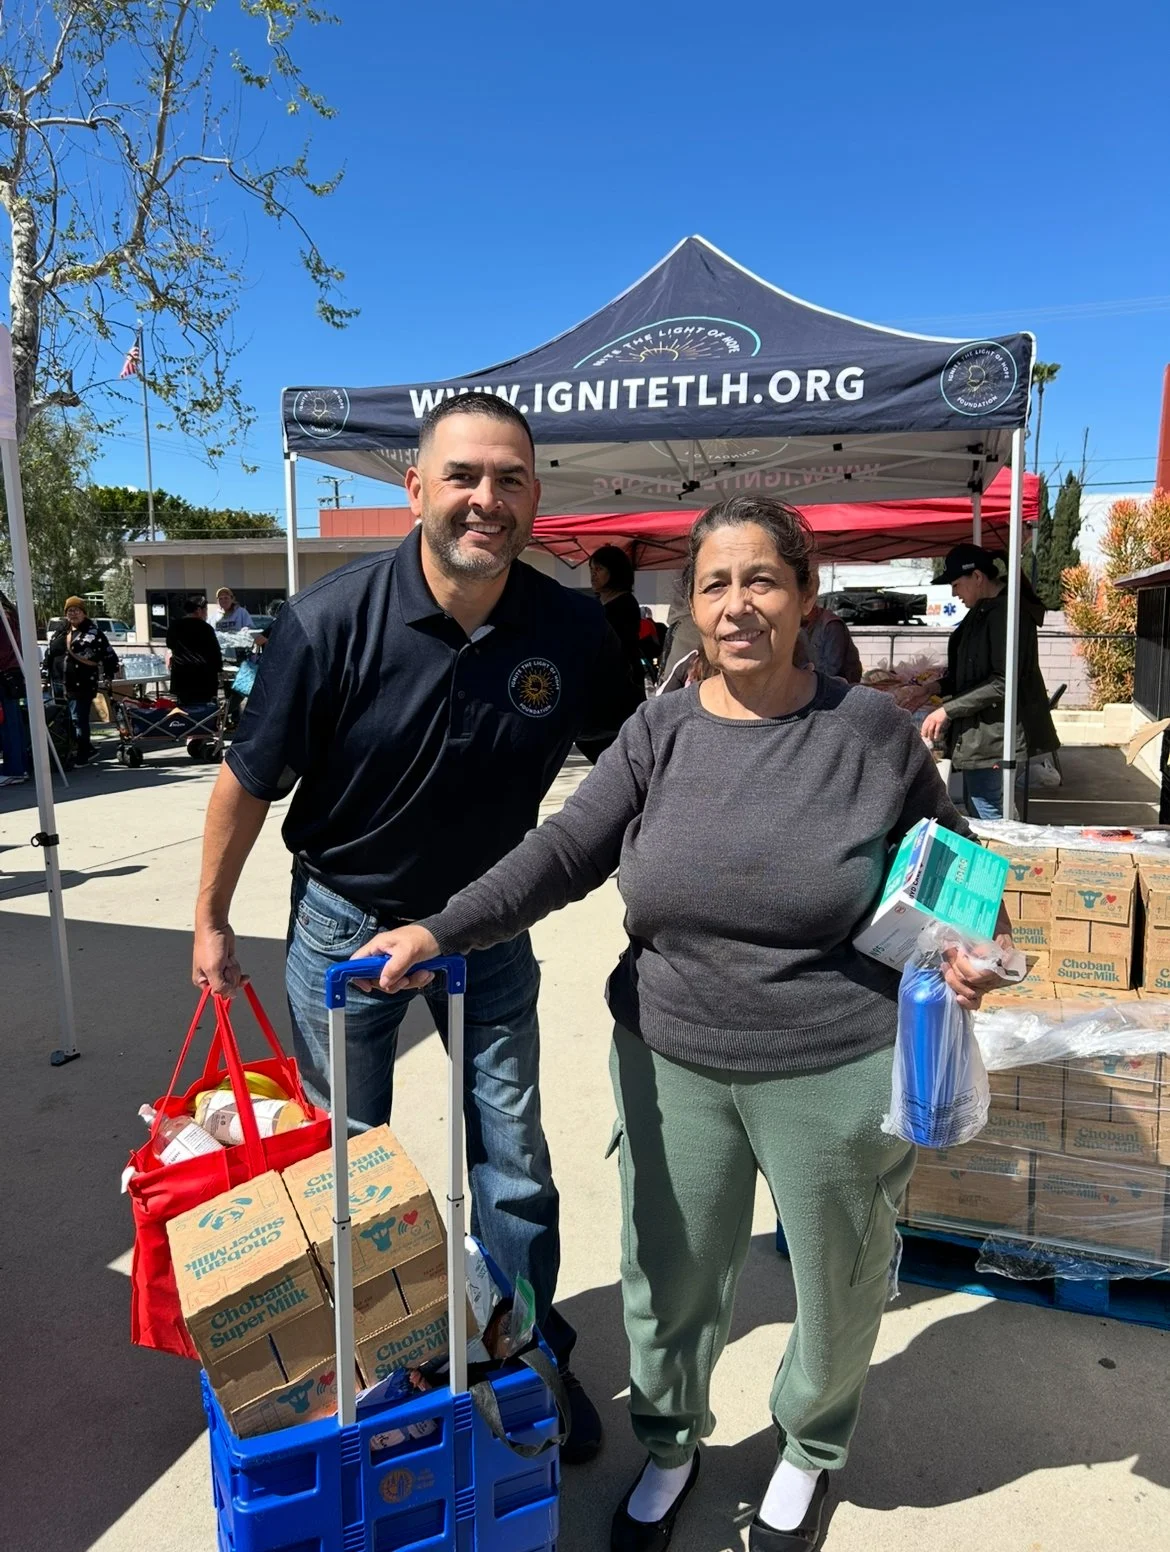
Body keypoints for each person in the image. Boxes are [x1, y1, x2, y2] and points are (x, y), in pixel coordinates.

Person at [355, 495, 1011, 1552]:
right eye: (715, 583)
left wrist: (976, 950)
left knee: (839, 1281)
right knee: (667, 1281)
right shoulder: (659, 731)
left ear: (804, 598)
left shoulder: (872, 736)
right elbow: (563, 852)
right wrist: (440, 930)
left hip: (835, 1061)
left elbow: (956, 873)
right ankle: (670, 1444)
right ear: (691, 604)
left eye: (763, 580)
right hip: (670, 1060)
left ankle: (809, 1446)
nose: (739, 602)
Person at [190, 394, 641, 1463]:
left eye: (510, 480)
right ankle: (371, 1368)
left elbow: (640, 766)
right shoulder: (327, 621)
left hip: (486, 926)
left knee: (514, 1158)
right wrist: (209, 920)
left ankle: (522, 1353)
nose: (487, 499)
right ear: (418, 491)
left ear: (535, 496)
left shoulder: (574, 632)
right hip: (347, 926)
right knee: (345, 1165)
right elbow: (245, 782)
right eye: (464, 477)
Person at [920, 543, 1060, 821]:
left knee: (988, 813)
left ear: (978, 578)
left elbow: (1002, 682)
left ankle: (1005, 864)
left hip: (994, 736)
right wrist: (930, 688)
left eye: (956, 584)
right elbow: (970, 674)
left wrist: (947, 710)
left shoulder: (1006, 615)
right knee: (980, 805)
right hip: (981, 735)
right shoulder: (984, 611)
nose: (953, 593)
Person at [578, 545, 646, 763]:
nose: (593, 574)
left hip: (618, 689)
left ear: (614, 571)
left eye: (599, 569)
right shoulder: (600, 604)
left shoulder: (623, 604)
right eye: (591, 569)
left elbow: (617, 648)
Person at [44, 597, 120, 765]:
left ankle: (84, 752)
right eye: (69, 610)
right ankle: (70, 750)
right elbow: (50, 655)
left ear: (84, 613)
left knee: (78, 718)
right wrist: (44, 675)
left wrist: (109, 675)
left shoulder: (93, 633)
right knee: (63, 719)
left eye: (76, 610)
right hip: (59, 683)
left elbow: (109, 655)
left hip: (81, 683)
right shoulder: (60, 632)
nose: (73, 613)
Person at [166, 596, 223, 706]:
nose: (206, 613)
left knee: (185, 712)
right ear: (198, 610)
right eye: (205, 610)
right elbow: (215, 652)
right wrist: (219, 669)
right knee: (203, 713)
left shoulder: (174, 626)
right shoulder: (206, 628)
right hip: (203, 678)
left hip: (181, 677)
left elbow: (170, 645)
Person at [0, 589, 29, 787]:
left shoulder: (4, 617)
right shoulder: (13, 616)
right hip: (13, 672)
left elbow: (2, 649)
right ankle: (20, 764)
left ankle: (15, 768)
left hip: (4, 674)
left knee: (8, 723)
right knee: (13, 721)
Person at [798, 600, 863, 683]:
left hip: (842, 687)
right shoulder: (803, 627)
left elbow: (832, 670)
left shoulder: (831, 625)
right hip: (818, 682)